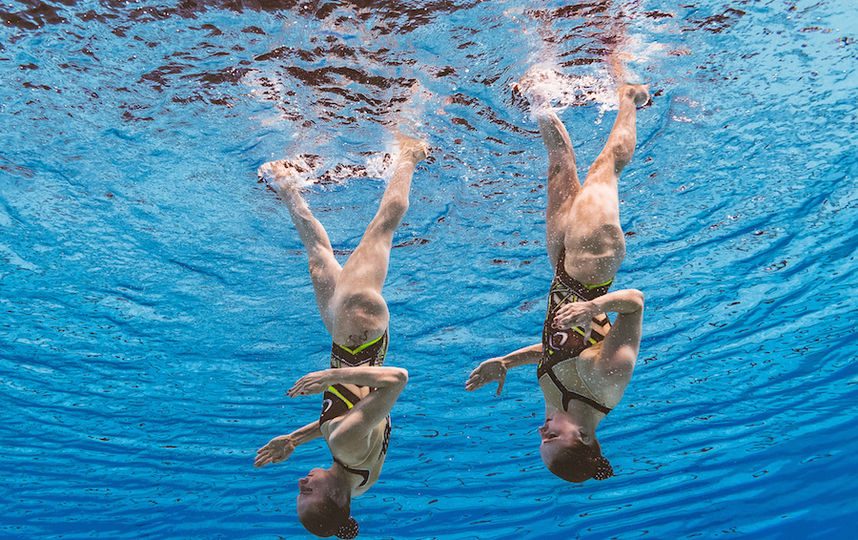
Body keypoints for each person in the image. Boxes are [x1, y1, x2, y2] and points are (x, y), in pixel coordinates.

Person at [466, 81, 649, 483]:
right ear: (583, 436)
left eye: (541, 440)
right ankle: (631, 97)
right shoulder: (607, 383)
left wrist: (507, 362)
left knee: (558, 166)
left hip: (562, 269)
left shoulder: (559, 406)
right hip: (596, 261)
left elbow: (558, 347)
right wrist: (594, 307)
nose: (541, 430)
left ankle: (536, 89)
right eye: (552, 438)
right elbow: (634, 302)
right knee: (605, 167)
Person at [254, 135, 428, 537]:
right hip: (359, 331)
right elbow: (397, 381)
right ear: (334, 500)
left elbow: (349, 422)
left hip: (350, 336)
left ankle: (288, 185)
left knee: (317, 253)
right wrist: (328, 378)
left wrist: (295, 439)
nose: (300, 485)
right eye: (307, 495)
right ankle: (410, 152)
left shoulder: (360, 482)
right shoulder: (347, 448)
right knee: (380, 229)